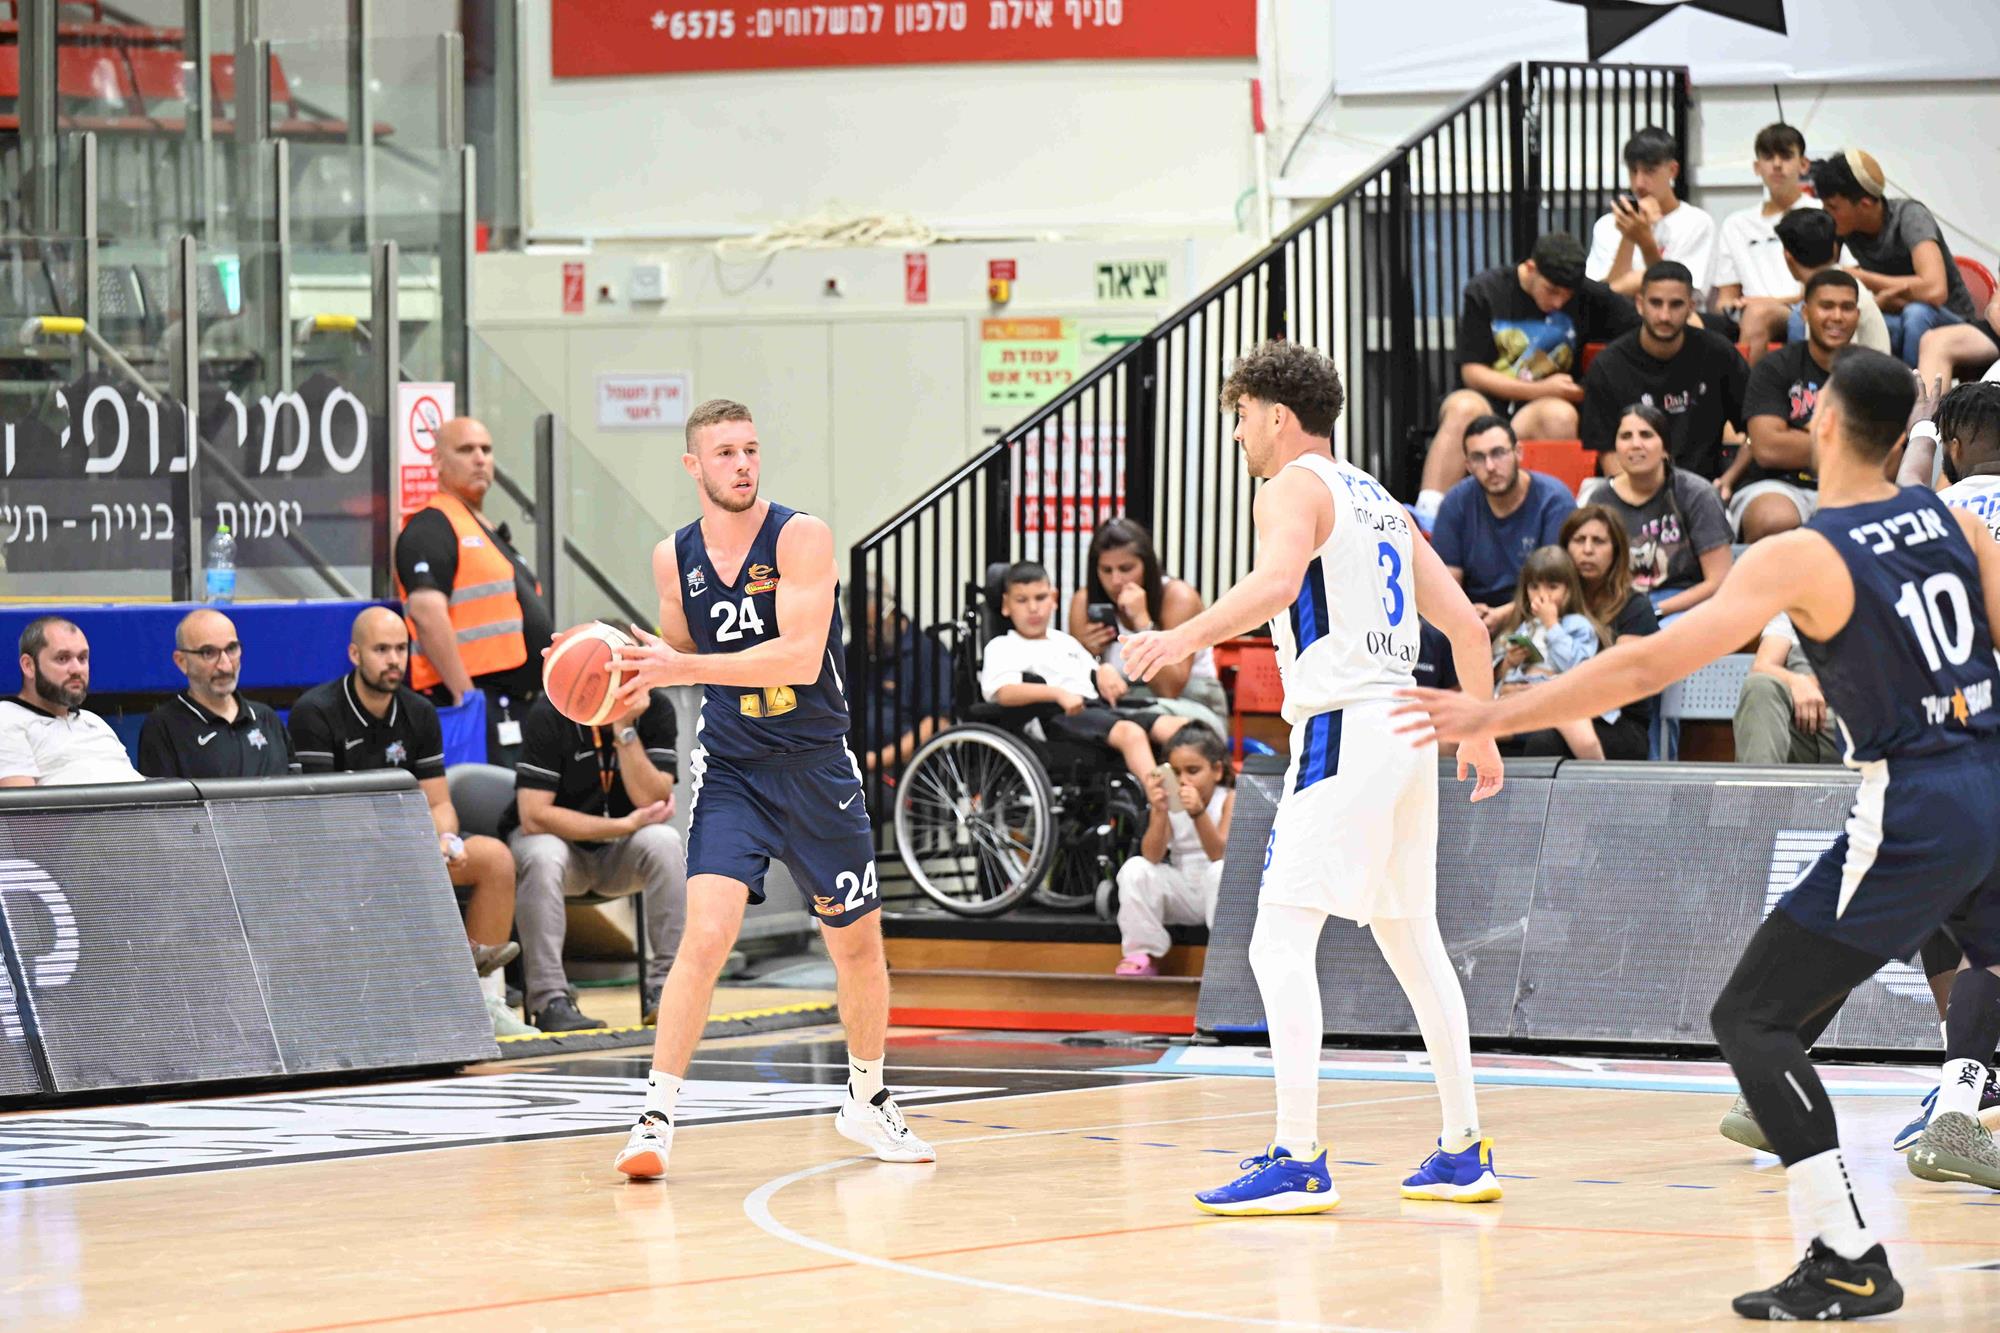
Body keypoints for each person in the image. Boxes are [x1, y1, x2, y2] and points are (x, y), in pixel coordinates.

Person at [1398, 348, 2000, 1319]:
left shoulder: (1803, 550)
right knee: (1946, 974)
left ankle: (1846, 1253)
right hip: (1989, 780)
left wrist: (1494, 712)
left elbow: (1648, 665)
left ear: (1822, 424)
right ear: (1901, 437)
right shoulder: (1950, 520)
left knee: (1750, 1019)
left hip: (1915, 804)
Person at [1121, 339, 1506, 1217]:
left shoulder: (1291, 485)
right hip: (1409, 725)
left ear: (1277, 415)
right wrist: (1479, 728)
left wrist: (1181, 637)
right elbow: (1469, 629)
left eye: (1241, 416)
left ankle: (1296, 1156)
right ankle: (1463, 1146)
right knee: (1413, 939)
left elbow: (1276, 583)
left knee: (1278, 941)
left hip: (1346, 723)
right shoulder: (1379, 498)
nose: (1238, 434)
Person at [603, 397, 934, 1180]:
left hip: (817, 766)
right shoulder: (672, 557)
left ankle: (867, 1095)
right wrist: (614, 670)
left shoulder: (800, 537)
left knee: (857, 945)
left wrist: (680, 667)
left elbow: (797, 655)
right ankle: (654, 1117)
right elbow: (673, 652)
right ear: (694, 465)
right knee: (706, 935)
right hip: (735, 770)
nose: (743, 463)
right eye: (725, 452)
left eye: (750, 449)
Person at [289, 607, 532, 1038]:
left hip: (408, 844)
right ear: (355, 654)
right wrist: (412, 844)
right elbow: (323, 814)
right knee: (396, 866)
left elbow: (438, 801)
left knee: (494, 859)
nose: (394, 660)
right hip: (339, 853)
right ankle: (453, 967)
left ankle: (486, 1002)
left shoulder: (419, 711)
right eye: (382, 650)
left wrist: (443, 839)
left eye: (401, 649)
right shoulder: (316, 711)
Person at [503, 688, 687, 1033]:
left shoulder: (655, 706)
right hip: (563, 850)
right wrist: (623, 825)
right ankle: (549, 1000)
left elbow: (652, 798)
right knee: (543, 854)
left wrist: (624, 730)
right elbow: (533, 816)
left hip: (618, 855)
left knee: (665, 842)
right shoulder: (552, 710)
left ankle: (668, 989)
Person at [1414, 232, 1640, 510]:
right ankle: (1429, 512)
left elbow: (1639, 332)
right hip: (1486, 404)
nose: (1558, 302)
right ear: (1531, 268)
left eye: (1567, 295)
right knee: (1462, 408)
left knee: (1561, 416)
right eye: (1551, 291)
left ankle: (1556, 513)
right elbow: (1472, 372)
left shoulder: (1589, 295)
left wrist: (1588, 385)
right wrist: (1542, 388)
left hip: (1539, 411)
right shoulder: (1486, 290)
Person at [395, 417, 556, 767]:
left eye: (486, 449)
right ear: (438, 461)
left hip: (516, 704)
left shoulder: (485, 531)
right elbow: (426, 613)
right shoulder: (432, 526)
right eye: (466, 450)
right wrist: (466, 697)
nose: (480, 458)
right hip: (476, 701)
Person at [981, 561, 1189, 782]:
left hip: (1099, 710)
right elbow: (1002, 692)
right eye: (1022, 600)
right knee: (1131, 734)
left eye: (1040, 598)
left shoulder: (1065, 641)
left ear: (1054, 598)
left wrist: (1105, 670)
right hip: (1057, 717)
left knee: (1180, 728)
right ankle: (1160, 799)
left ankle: (1193, 796)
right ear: (1006, 604)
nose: (1033, 608)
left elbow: (1094, 672)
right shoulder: (1003, 646)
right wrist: (1057, 694)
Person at [1580, 261, 1750, 483]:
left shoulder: (1719, 354)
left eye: (1676, 304)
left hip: (1703, 488)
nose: (1664, 316)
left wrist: (1729, 480)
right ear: (1640, 304)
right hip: (1628, 487)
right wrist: (1643, 496)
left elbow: (1757, 427)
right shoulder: (1608, 365)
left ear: (1691, 307)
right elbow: (1608, 455)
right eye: (1656, 303)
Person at [1815, 149, 1980, 367]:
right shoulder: (1845, 226)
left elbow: (1935, 290)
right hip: (1896, 313)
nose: (1826, 214)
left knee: (1916, 314)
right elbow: (1820, 277)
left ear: (1865, 203)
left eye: (1833, 207)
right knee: (1821, 317)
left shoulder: (1910, 216)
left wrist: (1863, 278)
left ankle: (1913, 388)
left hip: (1950, 319)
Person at [1731, 271, 1863, 542]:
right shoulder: (1774, 367)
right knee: (1773, 519)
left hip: (1856, 487)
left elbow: (1888, 456)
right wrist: (1854, 445)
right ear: (1804, 313)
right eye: (1826, 306)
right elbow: (1768, 449)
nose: (1837, 316)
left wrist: (1797, 436)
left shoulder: (1874, 372)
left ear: (1857, 315)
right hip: (1779, 485)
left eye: (1847, 307)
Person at [1067, 517, 1228, 730]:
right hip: (1120, 707)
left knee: (1129, 725)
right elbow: (1075, 685)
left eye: (1126, 568)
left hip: (1189, 705)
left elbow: (1170, 689)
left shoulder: (1177, 597)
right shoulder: (1084, 602)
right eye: (1106, 570)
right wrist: (1091, 658)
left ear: (1147, 566)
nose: (1116, 580)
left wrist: (1143, 624)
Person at [1429, 414, 1576, 633]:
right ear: (1468, 465)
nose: (1490, 466)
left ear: (1518, 453)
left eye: (1498, 453)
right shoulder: (1455, 502)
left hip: (1537, 612)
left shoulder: (1554, 501)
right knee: (1431, 630)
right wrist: (1468, 614)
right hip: (1471, 615)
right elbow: (1446, 584)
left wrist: (1504, 616)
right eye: (1478, 458)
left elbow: (1558, 585)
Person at [1581, 404, 1733, 614]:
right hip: (1621, 606)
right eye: (1625, 436)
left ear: (1665, 449)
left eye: (1646, 435)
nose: (1635, 444)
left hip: (1686, 606)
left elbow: (1718, 581)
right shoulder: (1599, 499)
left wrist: (1656, 611)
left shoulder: (1697, 494)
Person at [1113, 722, 1233, 978]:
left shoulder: (1228, 798)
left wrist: (1198, 813)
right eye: (1176, 773)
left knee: (1221, 871)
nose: (1183, 780)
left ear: (1217, 771)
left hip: (1218, 891)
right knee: (1135, 868)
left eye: (1193, 771)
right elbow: (1152, 855)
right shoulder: (1169, 801)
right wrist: (1159, 811)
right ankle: (1141, 953)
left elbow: (1219, 854)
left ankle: (1225, 959)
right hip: (1183, 890)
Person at [136, 609, 295, 779]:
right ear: (182, 662)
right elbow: (162, 795)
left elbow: (299, 789)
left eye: (232, 649)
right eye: (208, 653)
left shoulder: (267, 719)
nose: (225, 666)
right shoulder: (163, 727)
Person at [1488, 546, 1612, 761]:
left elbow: (1579, 668)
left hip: (1557, 697)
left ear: (1569, 590)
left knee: (1581, 734)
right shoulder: (1525, 627)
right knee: (1471, 725)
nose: (1542, 595)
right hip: (1521, 697)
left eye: (1552, 587)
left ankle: (1599, 776)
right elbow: (1500, 680)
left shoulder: (1578, 625)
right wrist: (1509, 662)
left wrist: (1552, 625)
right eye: (1534, 587)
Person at [1713, 123, 1821, 362]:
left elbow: (1825, 285)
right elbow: (1725, 297)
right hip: (1748, 313)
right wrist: (1733, 306)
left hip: (1803, 309)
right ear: (1757, 167)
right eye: (1768, 157)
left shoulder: (1819, 213)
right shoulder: (1736, 224)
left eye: (1786, 156)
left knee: (1758, 314)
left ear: (1804, 164)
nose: (1777, 164)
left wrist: (1766, 303)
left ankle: (1747, 388)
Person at [1561, 505, 1658, 757]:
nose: (1587, 549)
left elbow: (1622, 680)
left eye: (1599, 541)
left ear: (1616, 551)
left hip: (1620, 724)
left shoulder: (1635, 607)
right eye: (1579, 540)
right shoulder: (1556, 604)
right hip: (1561, 712)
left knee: (1545, 741)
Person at [0, 617, 144, 787]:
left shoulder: (93, 721)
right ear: (28, 666)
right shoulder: (7, 719)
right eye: (62, 658)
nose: (77, 669)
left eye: (82, 658)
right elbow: (21, 802)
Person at [1585, 127, 1716, 299]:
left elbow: (1678, 296)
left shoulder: (1697, 222)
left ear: (1673, 170)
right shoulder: (1607, 225)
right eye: (1633, 171)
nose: (1639, 183)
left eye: (1649, 171)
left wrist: (1645, 241)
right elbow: (1600, 298)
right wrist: (1629, 236)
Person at [860, 573, 955, 773]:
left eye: (870, 627)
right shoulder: (852, 653)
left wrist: (875, 761)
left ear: (891, 614)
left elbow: (938, 722)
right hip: (847, 769)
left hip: (908, 771)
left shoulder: (928, 651)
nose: (866, 635)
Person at [1773, 208, 1891, 356]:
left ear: (1788, 256)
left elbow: (1842, 362)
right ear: (1834, 248)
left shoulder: (1843, 292)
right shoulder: (1841, 285)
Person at [1734, 614, 1840, 765]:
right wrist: (1797, 681)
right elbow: (1761, 667)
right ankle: (1760, 778)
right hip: (1803, 727)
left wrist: (1818, 684)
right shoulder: (1791, 612)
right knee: (1760, 685)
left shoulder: (1868, 612)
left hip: (1853, 731)